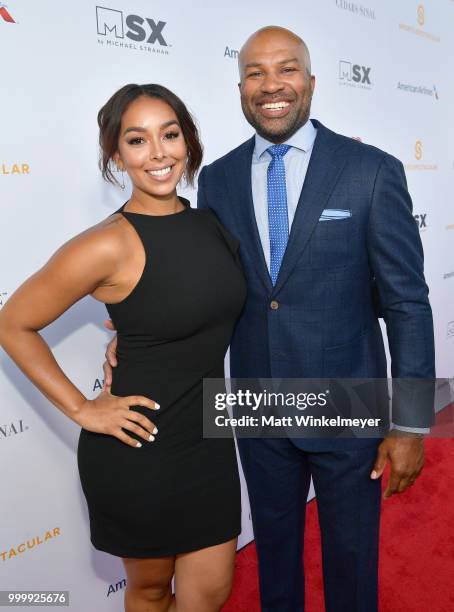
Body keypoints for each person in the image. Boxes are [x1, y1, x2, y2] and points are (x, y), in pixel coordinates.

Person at [103, 28, 435, 612]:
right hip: (257, 407)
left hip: (349, 404)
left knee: (351, 563)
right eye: (256, 73)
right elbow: (208, 288)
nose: (271, 85)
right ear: (240, 89)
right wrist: (136, 338)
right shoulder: (219, 179)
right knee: (275, 561)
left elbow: (408, 303)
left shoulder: (371, 171)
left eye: (286, 69)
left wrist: (409, 425)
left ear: (310, 82)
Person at [0, 83, 247, 612]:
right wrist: (83, 407)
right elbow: (14, 323)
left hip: (209, 441)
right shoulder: (106, 243)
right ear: (117, 155)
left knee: (210, 594)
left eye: (170, 134)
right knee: (152, 592)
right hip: (141, 449)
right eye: (138, 140)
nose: (158, 153)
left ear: (189, 141)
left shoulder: (210, 224)